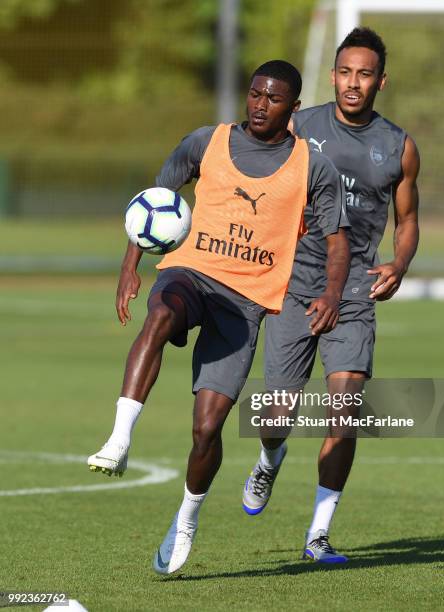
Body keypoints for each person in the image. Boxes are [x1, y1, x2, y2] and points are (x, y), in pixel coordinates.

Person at [87, 60, 351, 575]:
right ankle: (120, 437)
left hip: (246, 303)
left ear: (292, 109)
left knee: (207, 431)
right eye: (254, 94)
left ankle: (186, 516)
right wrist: (129, 269)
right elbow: (154, 205)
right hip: (191, 274)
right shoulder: (204, 141)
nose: (259, 104)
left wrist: (333, 293)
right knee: (160, 315)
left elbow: (337, 242)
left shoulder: (313, 169)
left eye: (273, 99)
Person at [242, 28, 420, 564]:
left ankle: (318, 535)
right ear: (333, 75)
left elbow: (408, 220)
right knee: (277, 417)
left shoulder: (400, 146)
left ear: (380, 81)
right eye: (345, 72)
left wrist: (400, 262)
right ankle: (270, 458)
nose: (353, 83)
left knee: (344, 415)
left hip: (356, 293)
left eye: (365, 74)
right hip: (295, 285)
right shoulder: (298, 126)